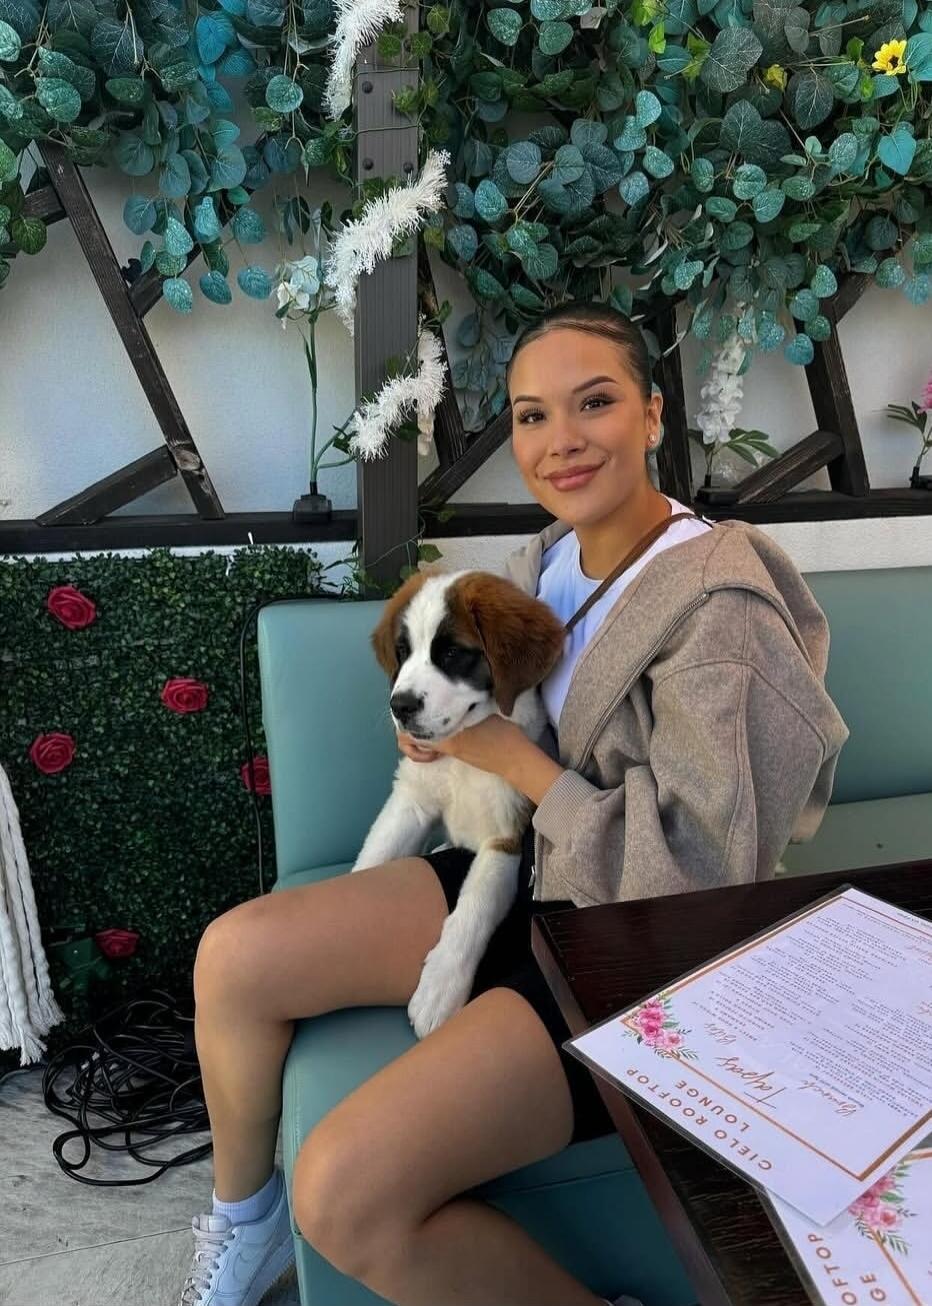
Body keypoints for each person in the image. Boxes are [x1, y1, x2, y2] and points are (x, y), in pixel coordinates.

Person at [180, 302, 849, 1306]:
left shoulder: (718, 603)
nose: (560, 441)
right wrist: (443, 726)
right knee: (235, 957)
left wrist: (503, 754)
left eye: (595, 403)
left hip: (644, 950)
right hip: (536, 871)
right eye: (531, 416)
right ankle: (246, 1225)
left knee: (348, 1192)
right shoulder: (551, 563)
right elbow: (494, 702)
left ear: (654, 414)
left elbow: (702, 874)